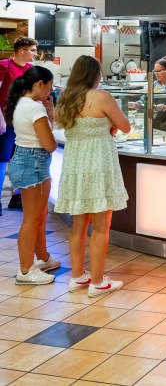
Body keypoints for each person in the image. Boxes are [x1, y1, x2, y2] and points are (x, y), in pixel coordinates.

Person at [54, 56, 131, 296]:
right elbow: (126, 126)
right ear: (95, 74)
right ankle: (98, 281)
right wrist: (111, 125)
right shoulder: (102, 97)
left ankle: (78, 277)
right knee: (101, 225)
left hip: (75, 164)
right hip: (99, 163)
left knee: (79, 222)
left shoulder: (65, 97)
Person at [7, 66, 59, 285]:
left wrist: (50, 113)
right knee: (31, 220)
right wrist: (49, 117)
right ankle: (26, 270)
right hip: (34, 165)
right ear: (39, 84)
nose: (50, 91)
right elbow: (49, 144)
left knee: (38, 216)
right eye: (49, 86)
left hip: (24, 161)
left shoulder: (22, 103)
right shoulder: (34, 109)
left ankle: (43, 258)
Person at [0, 37, 39, 214]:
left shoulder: (30, 69)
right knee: (2, 160)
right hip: (5, 121)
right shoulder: (4, 66)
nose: (35, 54)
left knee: (19, 159)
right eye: (32, 50)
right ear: (22, 51)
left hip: (23, 121)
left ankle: (16, 197)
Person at [129, 55, 166, 133]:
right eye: (155, 71)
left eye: (159, 71)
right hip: (156, 124)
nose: (156, 74)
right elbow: (143, 102)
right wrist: (133, 105)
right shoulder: (153, 85)